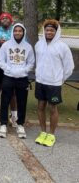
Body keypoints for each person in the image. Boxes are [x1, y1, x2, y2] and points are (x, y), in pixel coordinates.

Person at [34, 19, 74, 147]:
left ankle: (51, 134)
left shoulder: (62, 46)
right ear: (44, 31)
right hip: (41, 81)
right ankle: (43, 132)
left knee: (53, 108)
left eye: (52, 30)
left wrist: (60, 80)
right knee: (40, 106)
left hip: (54, 83)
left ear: (56, 32)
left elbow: (69, 66)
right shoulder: (39, 44)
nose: (49, 32)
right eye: (47, 30)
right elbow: (38, 61)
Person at [0, 23, 35, 138]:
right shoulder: (6, 45)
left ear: (23, 32)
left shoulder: (28, 47)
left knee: (22, 101)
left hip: (22, 78)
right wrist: (9, 70)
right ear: (13, 32)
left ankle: (20, 124)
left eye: (20, 31)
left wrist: (23, 71)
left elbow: (31, 62)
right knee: (5, 100)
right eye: (15, 31)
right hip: (8, 76)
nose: (17, 33)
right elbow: (1, 60)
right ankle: (3, 124)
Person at [0, 12, 18, 127]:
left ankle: (14, 116)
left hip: (12, 65)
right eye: (3, 18)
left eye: (8, 18)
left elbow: (23, 45)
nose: (5, 20)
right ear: (0, 20)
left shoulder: (16, 31)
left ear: (11, 20)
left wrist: (7, 43)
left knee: (12, 92)